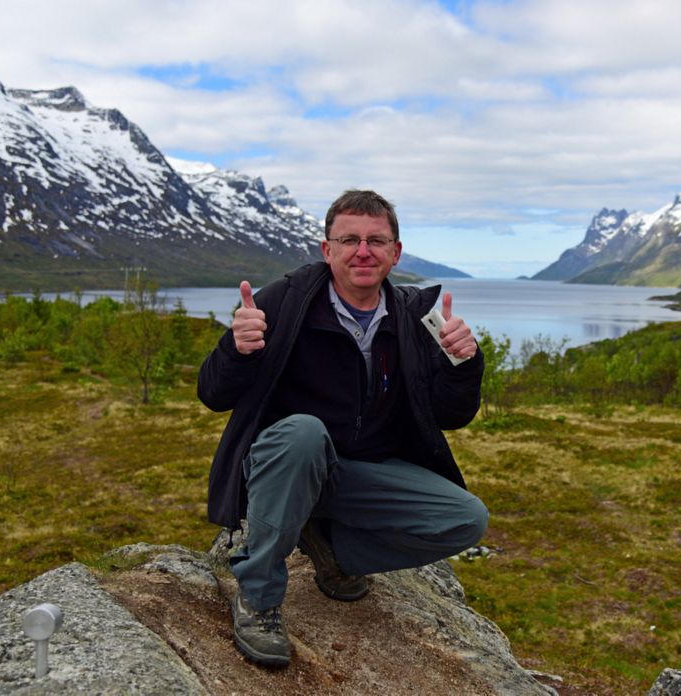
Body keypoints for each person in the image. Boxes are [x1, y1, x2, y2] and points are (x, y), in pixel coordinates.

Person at [197, 189, 489, 667]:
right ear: (326, 249)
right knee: (305, 433)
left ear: (396, 253)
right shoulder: (281, 303)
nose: (363, 251)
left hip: (358, 474)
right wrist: (237, 350)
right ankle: (259, 597)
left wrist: (463, 364)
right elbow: (212, 394)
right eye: (349, 239)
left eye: (377, 241)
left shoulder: (416, 319)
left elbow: (451, 416)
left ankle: (331, 550)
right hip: (283, 466)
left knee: (466, 518)